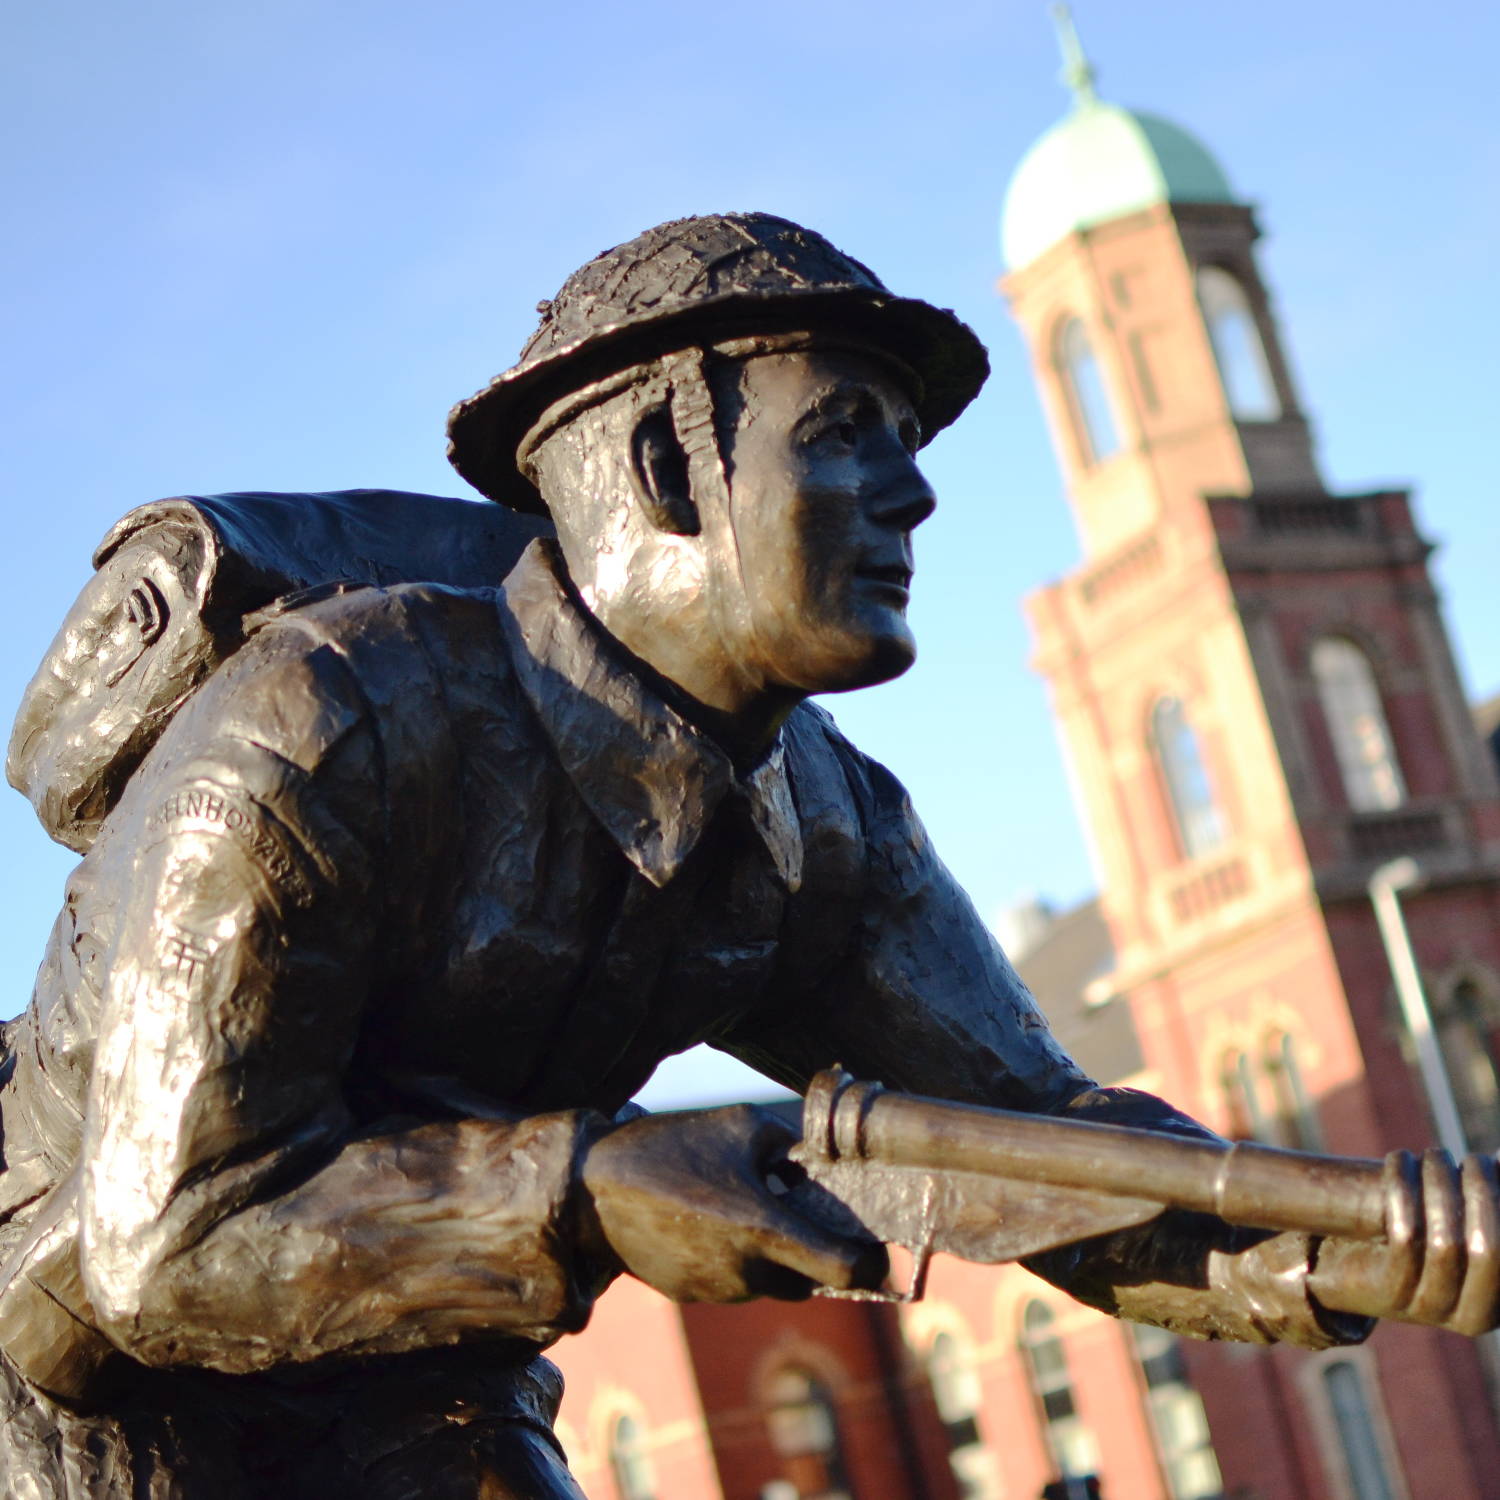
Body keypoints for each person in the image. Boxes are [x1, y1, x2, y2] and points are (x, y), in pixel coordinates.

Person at [0, 213, 1491, 1499]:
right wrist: (588, 1188)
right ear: (663, 462)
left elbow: (1048, 1144)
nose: (915, 496)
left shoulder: (823, 823)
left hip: (422, 1359)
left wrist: (1356, 1240)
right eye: (848, 437)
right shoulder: (326, 726)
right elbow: (165, 1238)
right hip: (79, 1362)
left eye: (906, 450)